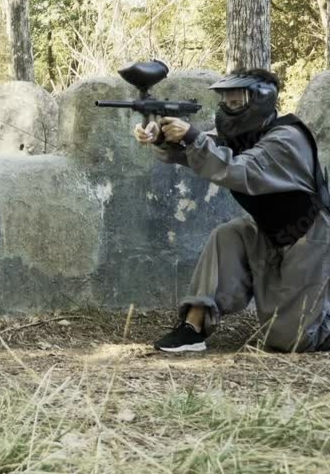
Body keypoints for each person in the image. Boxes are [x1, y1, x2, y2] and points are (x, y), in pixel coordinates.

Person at [133, 69, 330, 353]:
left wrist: (192, 136)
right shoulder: (243, 133)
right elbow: (198, 148)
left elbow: (237, 170)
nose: (229, 106)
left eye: (237, 101)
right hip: (271, 233)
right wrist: (161, 137)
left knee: (292, 339)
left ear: (261, 100)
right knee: (227, 235)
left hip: (310, 238)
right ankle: (193, 327)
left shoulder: (287, 138)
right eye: (226, 100)